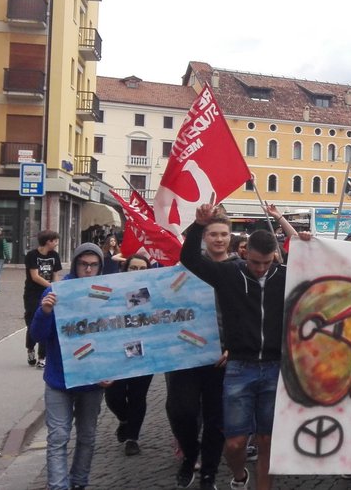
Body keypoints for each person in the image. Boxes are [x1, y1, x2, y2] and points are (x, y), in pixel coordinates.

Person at [181, 203, 304, 490]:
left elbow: (314, 260)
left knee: (266, 441)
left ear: (274, 257)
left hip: (274, 368)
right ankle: (239, 477)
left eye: (266, 263)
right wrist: (198, 226)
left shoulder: (284, 276)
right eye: (255, 263)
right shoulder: (229, 274)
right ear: (246, 253)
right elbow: (189, 259)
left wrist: (296, 232)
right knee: (235, 443)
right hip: (239, 367)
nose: (260, 269)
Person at [167, 213, 240, 489]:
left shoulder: (240, 270)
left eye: (223, 234)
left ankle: (208, 474)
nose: (219, 239)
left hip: (221, 357)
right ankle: (190, 453)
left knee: (215, 420)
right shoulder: (190, 267)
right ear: (204, 238)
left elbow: (245, 313)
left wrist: (233, 347)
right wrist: (198, 224)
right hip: (187, 354)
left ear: (230, 237)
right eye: (213, 234)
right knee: (180, 411)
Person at [31, 242, 112, 490]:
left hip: (92, 381)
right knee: (58, 437)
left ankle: (79, 483)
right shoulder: (56, 292)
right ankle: (58, 486)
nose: (88, 270)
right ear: (75, 264)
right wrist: (45, 312)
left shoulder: (107, 293)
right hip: (59, 379)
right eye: (83, 264)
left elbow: (114, 338)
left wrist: (112, 371)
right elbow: (37, 335)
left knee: (87, 436)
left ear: (100, 267)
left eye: (93, 265)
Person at [104, 254, 154, 457]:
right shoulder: (113, 288)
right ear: (125, 269)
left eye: (142, 269)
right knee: (113, 395)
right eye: (134, 268)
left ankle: (132, 438)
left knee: (137, 395)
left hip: (144, 350)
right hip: (116, 350)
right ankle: (124, 419)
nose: (137, 272)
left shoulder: (153, 290)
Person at [24, 230, 62, 368]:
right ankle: (30, 348)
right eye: (55, 241)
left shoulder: (54, 256)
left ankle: (42, 357)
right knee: (33, 322)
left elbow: (55, 274)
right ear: (48, 241)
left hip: (48, 293)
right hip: (33, 294)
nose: (56, 243)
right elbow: (35, 276)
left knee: (46, 321)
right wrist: (51, 286)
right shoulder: (32, 255)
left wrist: (55, 288)